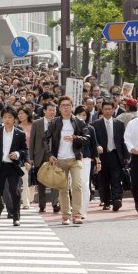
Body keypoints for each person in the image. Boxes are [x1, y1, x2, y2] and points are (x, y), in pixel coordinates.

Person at [44, 95, 90, 225]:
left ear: (72, 107)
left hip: (75, 159)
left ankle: (77, 214)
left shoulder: (79, 122)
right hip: (59, 160)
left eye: (68, 105)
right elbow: (45, 139)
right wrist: (49, 154)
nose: (66, 108)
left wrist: (75, 138)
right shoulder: (54, 123)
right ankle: (65, 215)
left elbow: (87, 137)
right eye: (63, 105)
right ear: (59, 108)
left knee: (77, 186)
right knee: (63, 189)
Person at [0, 106, 28, 226]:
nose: (7, 119)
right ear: (2, 119)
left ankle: (16, 217)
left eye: (10, 117)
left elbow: (24, 149)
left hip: (13, 166)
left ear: (15, 119)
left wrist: (18, 154)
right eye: (5, 117)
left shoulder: (20, 134)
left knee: (15, 191)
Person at [92, 101, 128, 212]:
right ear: (102, 110)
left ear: (113, 110)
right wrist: (96, 151)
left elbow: (123, 141)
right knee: (104, 179)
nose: (107, 111)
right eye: (105, 109)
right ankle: (106, 201)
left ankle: (117, 200)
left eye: (109, 109)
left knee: (116, 178)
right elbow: (94, 141)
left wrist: (126, 155)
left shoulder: (119, 124)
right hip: (102, 156)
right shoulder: (95, 124)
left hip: (115, 154)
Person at [29, 102, 60, 213]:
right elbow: (32, 140)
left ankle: (55, 203)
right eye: (50, 110)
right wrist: (31, 157)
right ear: (44, 111)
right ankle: (42, 205)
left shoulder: (59, 122)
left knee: (55, 181)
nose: (52, 112)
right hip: (40, 155)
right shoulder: (37, 123)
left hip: (55, 155)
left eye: (54, 110)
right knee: (41, 181)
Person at [74, 106, 100, 219]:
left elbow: (94, 146)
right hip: (71, 158)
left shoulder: (91, 129)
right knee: (73, 185)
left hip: (86, 159)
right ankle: (75, 208)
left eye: (84, 115)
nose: (81, 117)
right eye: (79, 114)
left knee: (85, 184)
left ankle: (83, 210)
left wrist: (98, 160)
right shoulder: (70, 128)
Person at [17, 107, 33, 209]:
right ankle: (24, 201)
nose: (20, 115)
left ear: (27, 114)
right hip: (20, 156)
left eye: (22, 113)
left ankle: (28, 200)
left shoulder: (33, 126)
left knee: (29, 180)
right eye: (19, 114)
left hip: (31, 155)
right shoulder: (16, 127)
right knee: (23, 179)